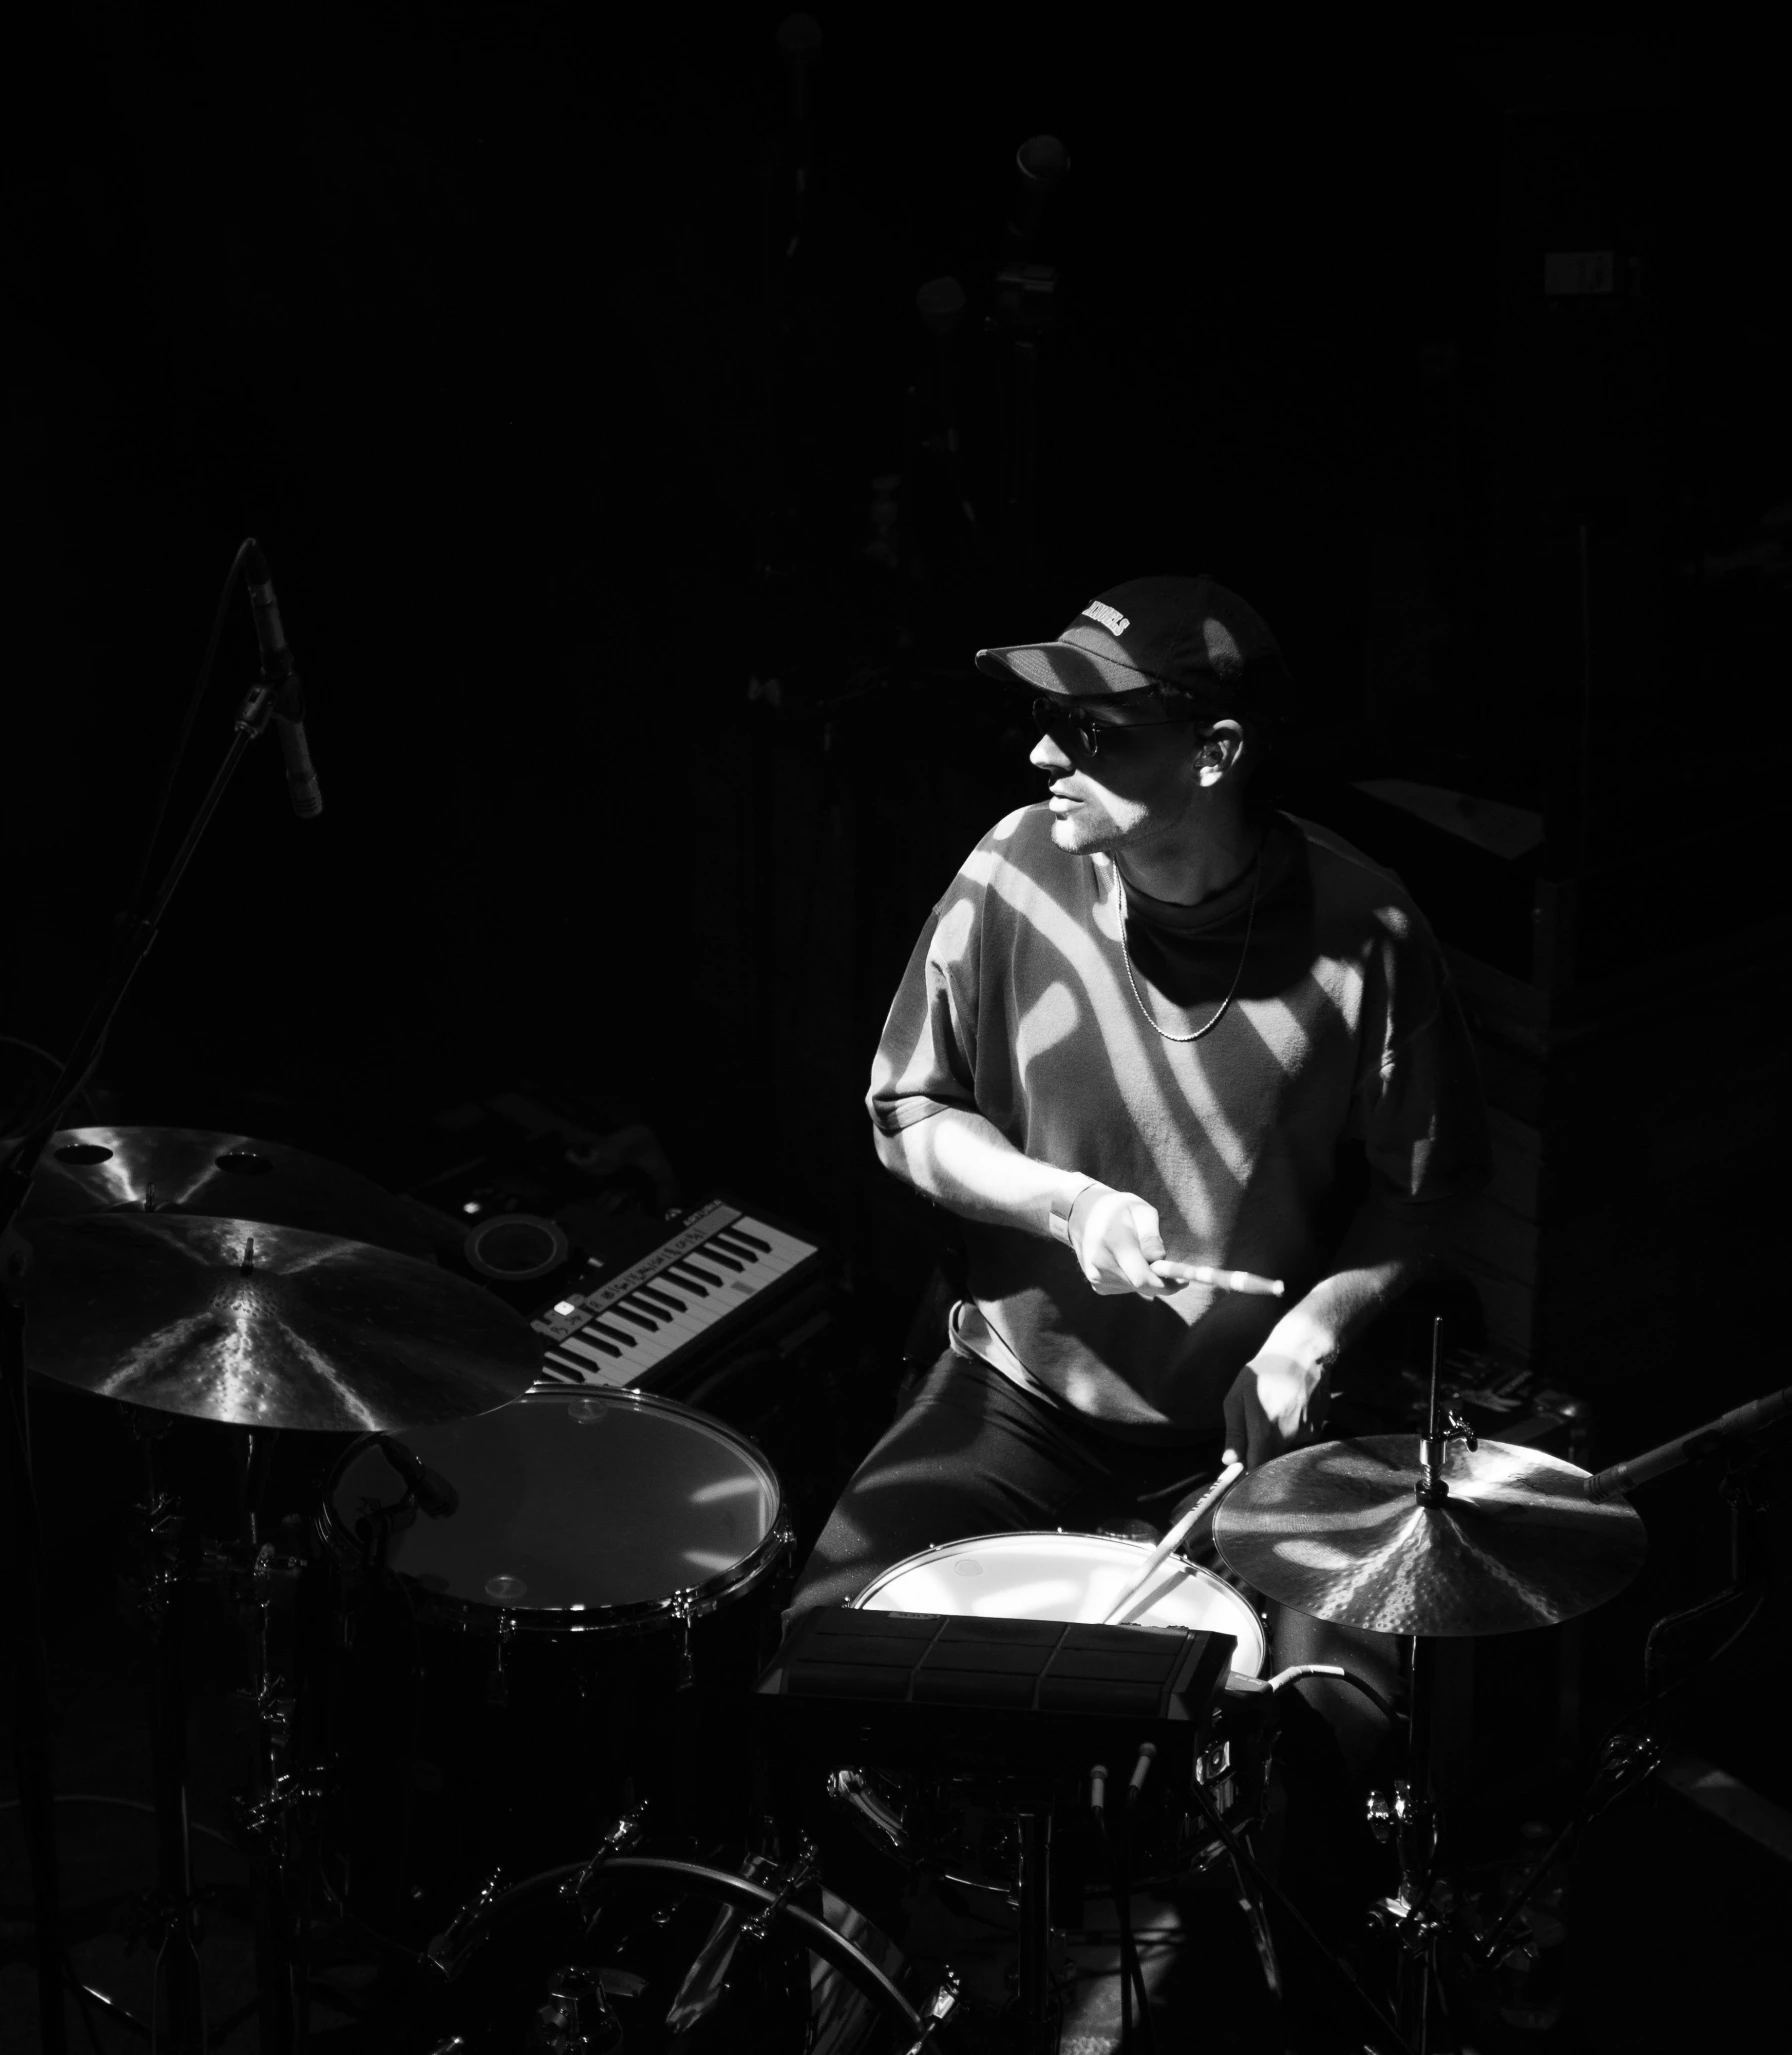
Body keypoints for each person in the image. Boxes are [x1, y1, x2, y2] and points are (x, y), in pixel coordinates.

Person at [787, 574, 1490, 1994]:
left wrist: (1312, 1328)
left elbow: (1432, 1186)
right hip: (1019, 1403)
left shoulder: (1370, 932)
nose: (1042, 756)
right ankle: (889, 1990)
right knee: (819, 1662)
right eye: (1046, 722)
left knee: (1328, 1739)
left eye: (1089, 730)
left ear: (1214, 754)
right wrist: (1065, 1202)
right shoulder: (1012, 874)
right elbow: (906, 1108)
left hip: (1250, 1453)